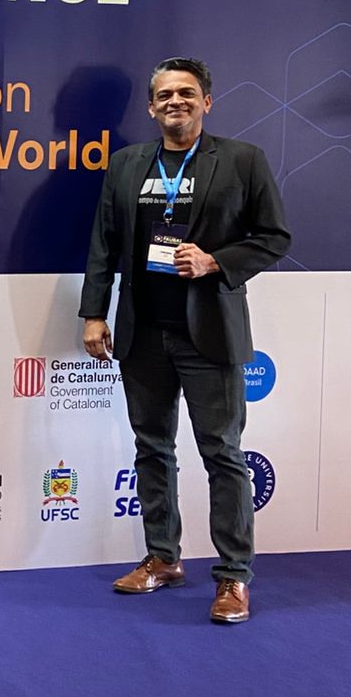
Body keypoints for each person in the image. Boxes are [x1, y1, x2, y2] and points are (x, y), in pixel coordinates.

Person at [79, 58, 290, 624]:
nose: (176, 101)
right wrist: (94, 313)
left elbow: (274, 237)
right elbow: (104, 244)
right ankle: (163, 557)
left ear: (206, 102)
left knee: (222, 454)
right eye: (166, 95)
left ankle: (234, 576)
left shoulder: (243, 160)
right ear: (152, 107)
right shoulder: (127, 164)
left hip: (209, 333)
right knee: (152, 448)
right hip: (143, 331)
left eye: (187, 93)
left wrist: (215, 261)